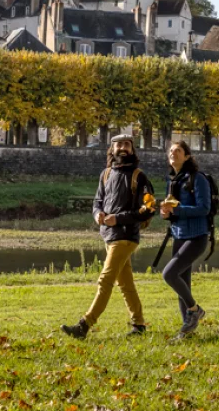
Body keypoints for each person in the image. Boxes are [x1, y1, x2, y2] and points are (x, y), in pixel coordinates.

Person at [62, 134, 154, 339]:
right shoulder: (105, 174)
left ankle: (84, 325)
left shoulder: (139, 176)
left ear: (132, 149)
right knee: (125, 283)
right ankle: (139, 325)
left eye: (126, 145)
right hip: (108, 236)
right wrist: (98, 214)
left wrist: (118, 219)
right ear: (111, 149)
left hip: (126, 236)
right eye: (118, 145)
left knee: (105, 280)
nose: (122, 148)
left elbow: (148, 209)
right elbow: (97, 201)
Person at [160, 140, 211, 338]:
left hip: (197, 237)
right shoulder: (172, 181)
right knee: (183, 283)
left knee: (169, 274)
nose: (173, 153)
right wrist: (168, 214)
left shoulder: (198, 179)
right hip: (179, 235)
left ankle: (194, 309)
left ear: (187, 156)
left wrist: (177, 210)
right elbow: (174, 209)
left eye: (178, 151)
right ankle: (186, 331)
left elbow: (203, 208)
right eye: (171, 151)